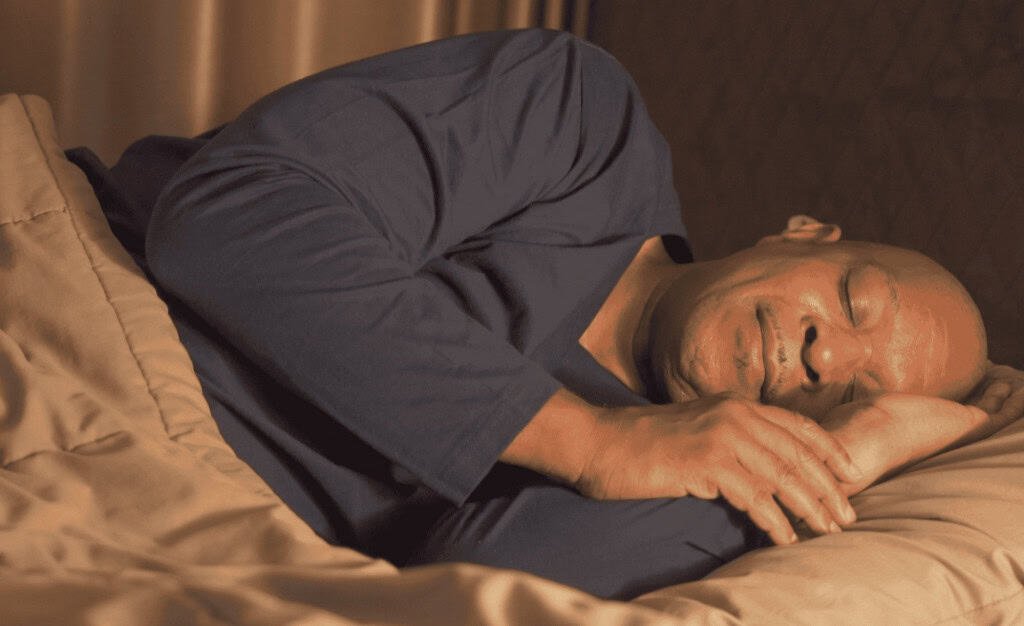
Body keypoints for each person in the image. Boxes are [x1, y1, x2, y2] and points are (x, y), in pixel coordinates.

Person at [108, 29, 1019, 600]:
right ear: (801, 233)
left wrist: (833, 464)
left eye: (854, 394)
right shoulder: (580, 123)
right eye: (855, 300)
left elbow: (475, 598)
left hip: (143, 516)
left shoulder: (681, 488)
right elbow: (228, 217)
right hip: (86, 318)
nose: (826, 356)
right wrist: (584, 440)